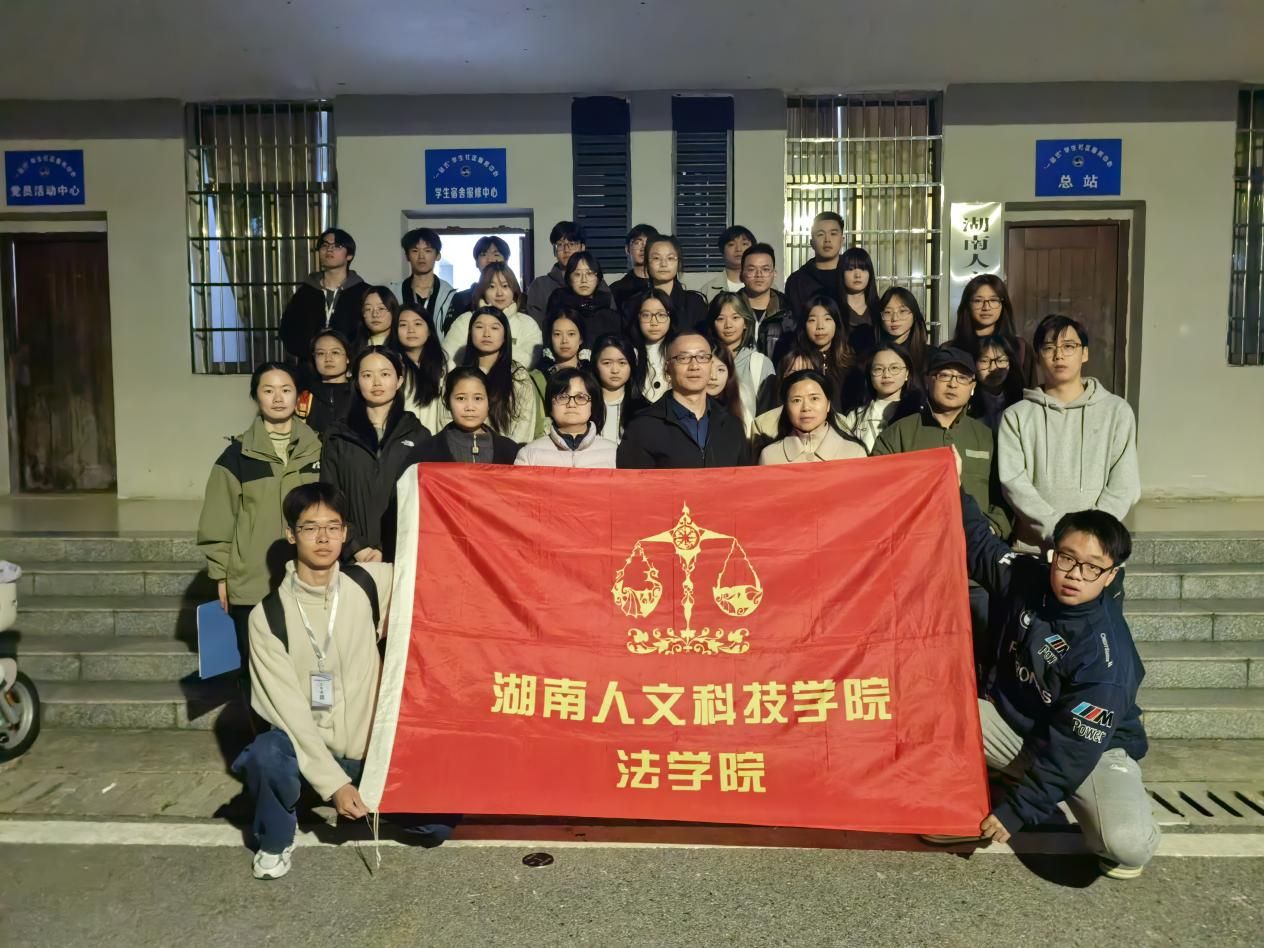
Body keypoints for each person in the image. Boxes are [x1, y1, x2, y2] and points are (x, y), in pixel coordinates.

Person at [231, 482, 455, 880]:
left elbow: (443, 574)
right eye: (310, 527)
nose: (323, 538)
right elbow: (290, 716)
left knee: (437, 827)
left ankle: (367, 800)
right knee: (266, 754)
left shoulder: (370, 584)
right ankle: (277, 837)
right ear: (291, 534)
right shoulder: (267, 618)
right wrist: (334, 785)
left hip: (373, 752)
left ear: (345, 532)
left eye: (333, 527)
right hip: (309, 751)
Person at [938, 491, 1159, 879]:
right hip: (1021, 728)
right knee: (933, 709)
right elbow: (979, 545)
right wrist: (952, 485)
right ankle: (998, 782)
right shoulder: (1028, 577)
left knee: (1126, 845)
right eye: (1068, 558)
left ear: (1111, 575)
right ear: (1053, 554)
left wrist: (1018, 809)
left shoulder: (1104, 655)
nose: (1075, 574)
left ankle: (1110, 802)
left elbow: (1074, 748)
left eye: (1092, 567)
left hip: (1091, 751)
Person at [198, 362, 323, 697]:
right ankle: (260, 731)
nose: (278, 398)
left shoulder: (321, 451)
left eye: (286, 390)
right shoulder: (235, 457)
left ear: (298, 397)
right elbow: (219, 520)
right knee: (255, 673)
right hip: (252, 582)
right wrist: (221, 574)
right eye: (268, 390)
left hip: (309, 579)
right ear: (256, 397)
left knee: (306, 670)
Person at [871, 346, 1011, 638]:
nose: (952, 384)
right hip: (914, 572)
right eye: (944, 375)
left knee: (976, 654)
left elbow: (1004, 498)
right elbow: (876, 496)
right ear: (928, 380)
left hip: (973, 574)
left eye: (962, 378)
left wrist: (992, 528)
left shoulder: (986, 437)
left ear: (973, 387)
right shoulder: (899, 434)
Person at [999, 314, 1140, 553]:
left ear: (1084, 353)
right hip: (1034, 551)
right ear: (1038, 356)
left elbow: (1125, 484)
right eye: (1049, 348)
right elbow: (1013, 483)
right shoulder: (1017, 415)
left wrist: (1091, 533)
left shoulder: (1116, 411)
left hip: (1098, 551)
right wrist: (1059, 530)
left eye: (1069, 346)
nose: (1059, 355)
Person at [320, 347, 431, 563]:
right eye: (367, 375)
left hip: (401, 555)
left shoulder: (419, 436)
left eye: (385, 374)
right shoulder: (338, 435)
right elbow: (330, 496)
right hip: (351, 557)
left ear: (399, 381)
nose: (377, 382)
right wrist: (355, 546)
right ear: (357, 381)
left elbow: (421, 502)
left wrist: (385, 548)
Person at [617, 332, 752, 469]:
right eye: (683, 358)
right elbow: (632, 481)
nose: (694, 366)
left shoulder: (731, 425)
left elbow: (743, 479)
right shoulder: (643, 427)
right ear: (667, 368)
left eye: (702, 357)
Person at [279, 229, 368, 369]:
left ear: (349, 255)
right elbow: (288, 330)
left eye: (337, 246)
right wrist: (313, 351)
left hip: (352, 368)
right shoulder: (305, 292)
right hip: (310, 368)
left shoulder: (363, 292)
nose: (329, 249)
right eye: (325, 245)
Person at [461, 305, 542, 444]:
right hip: (464, 452)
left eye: (494, 328)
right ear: (470, 333)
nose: (486, 334)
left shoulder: (517, 374)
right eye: (479, 327)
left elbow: (525, 422)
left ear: (505, 336)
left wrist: (508, 451)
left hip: (508, 453)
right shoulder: (460, 376)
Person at [443, 262, 543, 369]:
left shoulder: (527, 323)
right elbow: (446, 360)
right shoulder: (465, 320)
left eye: (505, 286)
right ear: (482, 290)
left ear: (514, 290)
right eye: (491, 286)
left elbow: (530, 361)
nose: (499, 293)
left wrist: (497, 345)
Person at [759, 369, 867, 464]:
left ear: (828, 404)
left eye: (814, 398)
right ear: (786, 407)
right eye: (796, 400)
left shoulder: (855, 453)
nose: (806, 408)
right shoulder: (769, 456)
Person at [515, 368, 617, 468]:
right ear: (550, 406)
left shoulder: (614, 454)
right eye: (562, 397)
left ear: (593, 405)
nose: (571, 404)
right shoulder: (529, 454)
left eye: (580, 397)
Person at [416, 366, 521, 464]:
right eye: (461, 398)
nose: (470, 407)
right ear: (447, 402)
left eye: (478, 398)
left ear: (489, 401)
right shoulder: (425, 453)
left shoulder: (511, 452)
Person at [708, 291, 774, 435]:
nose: (728, 325)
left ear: (746, 322)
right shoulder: (702, 360)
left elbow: (769, 417)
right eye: (720, 319)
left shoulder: (760, 363)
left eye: (735, 317)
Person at [952, 274, 1036, 386]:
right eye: (978, 301)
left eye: (993, 300)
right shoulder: (952, 349)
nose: (986, 307)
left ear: (1003, 304)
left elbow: (1030, 389)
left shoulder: (1020, 348)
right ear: (967, 305)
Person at [840, 343, 923, 453]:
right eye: (878, 369)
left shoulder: (919, 414)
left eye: (894, 368)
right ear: (870, 374)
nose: (886, 375)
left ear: (907, 373)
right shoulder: (855, 417)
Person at [788, 295, 863, 412]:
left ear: (836, 323)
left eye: (827, 319)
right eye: (812, 320)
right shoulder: (795, 363)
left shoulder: (849, 364)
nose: (820, 327)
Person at [390, 304, 450, 435]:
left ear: (429, 330)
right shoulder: (391, 367)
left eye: (417, 324)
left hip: (439, 440)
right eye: (403, 325)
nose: (411, 330)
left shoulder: (445, 365)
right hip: (403, 439)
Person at [545, 251, 622, 345]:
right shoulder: (558, 305)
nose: (584, 280)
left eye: (589, 274)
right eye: (577, 274)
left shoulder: (608, 311)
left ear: (598, 279)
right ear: (569, 279)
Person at [526, 221, 592, 323]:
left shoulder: (594, 281)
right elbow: (535, 325)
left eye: (572, 244)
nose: (566, 250)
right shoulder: (540, 286)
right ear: (554, 251)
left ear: (582, 248)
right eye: (560, 244)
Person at [640, 235, 707, 333]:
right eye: (656, 258)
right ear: (647, 264)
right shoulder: (635, 303)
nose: (663, 264)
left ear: (679, 263)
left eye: (670, 258)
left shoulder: (694, 303)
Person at [394, 228, 456, 331]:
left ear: (438, 256)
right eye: (415, 251)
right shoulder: (394, 292)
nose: (421, 256)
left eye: (427, 251)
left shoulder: (450, 294)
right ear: (407, 256)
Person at [742, 243, 795, 360]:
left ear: (774, 274)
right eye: (751, 269)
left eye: (765, 269)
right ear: (742, 274)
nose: (759, 275)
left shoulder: (788, 309)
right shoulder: (730, 307)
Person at [296, 330, 354, 437]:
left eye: (335, 352)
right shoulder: (304, 397)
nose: (328, 359)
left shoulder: (360, 394)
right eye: (321, 353)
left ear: (347, 358)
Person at [591, 334, 646, 444]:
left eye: (622, 363)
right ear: (595, 365)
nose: (615, 370)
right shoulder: (584, 405)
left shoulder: (644, 409)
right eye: (607, 363)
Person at [626, 288, 676, 403]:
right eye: (646, 315)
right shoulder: (629, 353)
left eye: (661, 315)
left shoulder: (680, 351)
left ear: (670, 317)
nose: (654, 322)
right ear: (637, 318)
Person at [448, 235, 510, 324]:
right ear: (476, 262)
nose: (490, 260)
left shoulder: (517, 298)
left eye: (496, 254)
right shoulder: (461, 299)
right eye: (483, 254)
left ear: (506, 261)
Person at [970, 334, 1025, 431]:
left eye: (1000, 360)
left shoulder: (1022, 400)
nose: (993, 368)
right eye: (984, 361)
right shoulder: (966, 402)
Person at [531, 309, 588, 402]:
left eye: (571, 334)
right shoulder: (539, 377)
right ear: (550, 338)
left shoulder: (591, 374)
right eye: (557, 334)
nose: (564, 340)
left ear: (581, 338)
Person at [690, 225, 755, 300]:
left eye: (744, 244)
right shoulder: (707, 291)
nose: (738, 249)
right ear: (722, 251)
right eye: (731, 244)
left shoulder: (764, 286)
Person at [877, 287, 930, 377]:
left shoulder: (930, 356)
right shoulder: (871, 355)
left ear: (914, 315)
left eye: (902, 311)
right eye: (888, 312)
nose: (895, 318)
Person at [610, 223, 659, 310]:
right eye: (637, 243)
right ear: (627, 249)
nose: (643, 248)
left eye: (648, 243)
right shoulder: (616, 289)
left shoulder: (665, 284)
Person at [705, 343, 745, 428]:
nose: (714, 377)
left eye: (720, 370)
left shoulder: (735, 413)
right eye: (708, 368)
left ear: (729, 374)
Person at [354, 285, 398, 352]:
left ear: (393, 311)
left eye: (381, 308)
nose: (374, 314)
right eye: (368, 309)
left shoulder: (402, 347)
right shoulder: (353, 349)